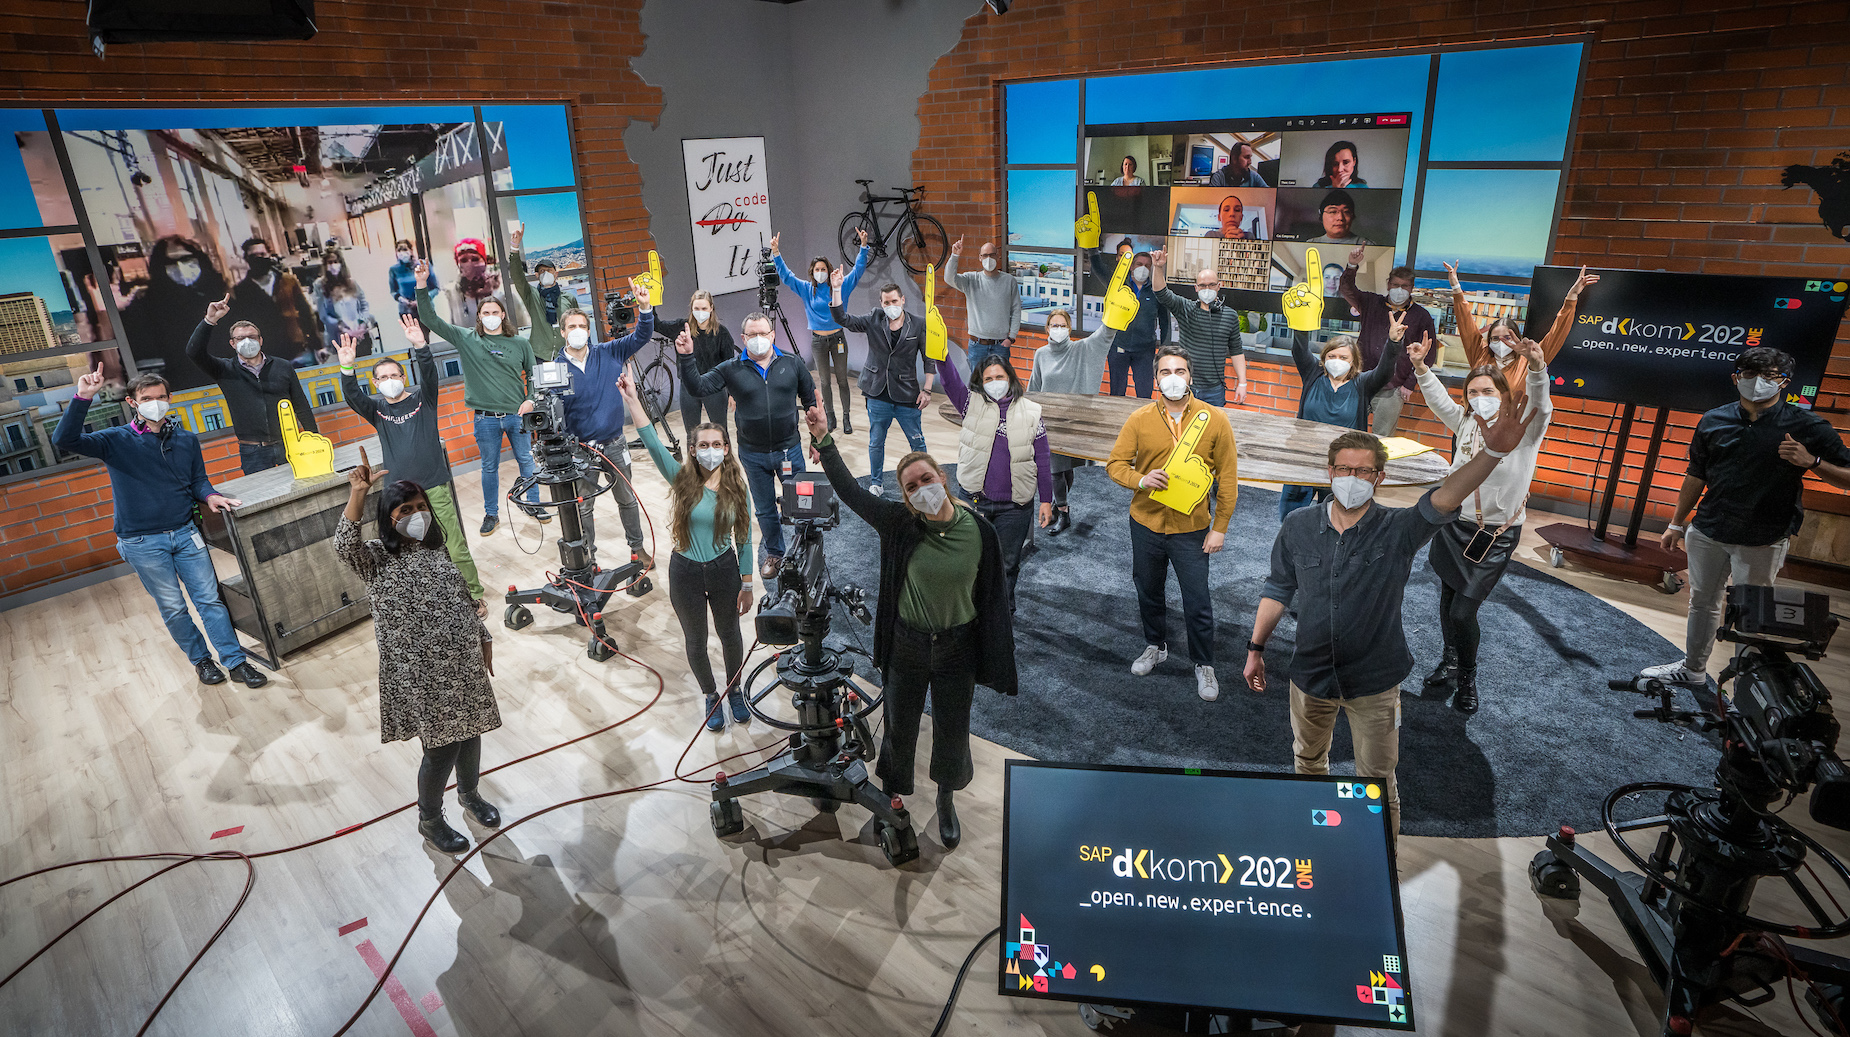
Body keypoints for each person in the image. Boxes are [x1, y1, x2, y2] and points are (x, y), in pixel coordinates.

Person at [1243, 413, 1538, 837]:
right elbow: (1277, 588)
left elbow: (1444, 498)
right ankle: (1314, 844)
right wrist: (1256, 649)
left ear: (1379, 477)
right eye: (1344, 468)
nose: (1352, 477)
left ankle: (1382, 864)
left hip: (1375, 682)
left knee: (1377, 783)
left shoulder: (1397, 530)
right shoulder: (1297, 526)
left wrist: (1493, 451)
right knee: (1308, 764)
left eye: (1363, 470)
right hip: (1308, 676)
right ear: (1330, 472)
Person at [804, 406, 1019, 849]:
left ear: (943, 477)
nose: (922, 489)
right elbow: (850, 492)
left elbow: (993, 598)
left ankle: (945, 797)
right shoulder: (900, 524)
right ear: (904, 497)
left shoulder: (979, 530)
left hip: (958, 648)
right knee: (899, 725)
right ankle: (893, 797)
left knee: (952, 727)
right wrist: (824, 440)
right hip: (908, 646)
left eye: (927, 479)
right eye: (911, 486)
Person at [1642, 348, 1850, 687]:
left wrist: (1812, 463)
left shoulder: (1806, 426)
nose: (1758, 383)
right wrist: (1676, 523)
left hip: (1763, 537)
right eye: (1751, 374)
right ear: (1736, 377)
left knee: (1753, 616)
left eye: (1769, 377)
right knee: (1702, 603)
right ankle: (1693, 670)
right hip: (1710, 528)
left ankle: (1747, 691)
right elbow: (1696, 474)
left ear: (1784, 382)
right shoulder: (1714, 420)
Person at [53, 366, 267, 689]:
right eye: (146, 398)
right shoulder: (115, 441)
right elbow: (64, 439)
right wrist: (83, 397)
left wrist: (210, 496)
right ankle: (202, 661)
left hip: (185, 534)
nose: (155, 403)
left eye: (161, 397)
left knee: (210, 600)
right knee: (174, 607)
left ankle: (236, 662)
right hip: (142, 542)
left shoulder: (186, 440)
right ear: (132, 402)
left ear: (170, 399)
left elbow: (198, 480)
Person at [336, 448, 502, 854]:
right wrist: (358, 493)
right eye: (405, 509)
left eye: (421, 506)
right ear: (388, 518)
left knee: (472, 730)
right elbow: (344, 544)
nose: (416, 514)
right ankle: (430, 819)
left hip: (460, 658)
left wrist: (482, 636)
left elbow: (458, 598)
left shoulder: (435, 549)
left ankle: (470, 794)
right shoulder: (374, 558)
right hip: (421, 670)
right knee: (442, 746)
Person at [1409, 333, 1553, 714]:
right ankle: (1450, 659)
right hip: (1453, 525)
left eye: (1487, 390)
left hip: (1496, 534)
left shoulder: (1525, 428)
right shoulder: (1467, 422)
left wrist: (1538, 368)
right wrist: (1422, 367)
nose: (1479, 397)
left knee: (1462, 610)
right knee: (1447, 597)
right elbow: (1439, 399)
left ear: (1504, 392)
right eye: (1472, 391)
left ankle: (1468, 676)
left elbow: (1541, 402)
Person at [507, 223, 652, 567]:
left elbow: (641, 337)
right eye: (571, 328)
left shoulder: (608, 352)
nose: (577, 332)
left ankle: (637, 548)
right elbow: (542, 402)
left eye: (582, 327)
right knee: (582, 507)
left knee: (628, 501)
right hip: (579, 450)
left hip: (614, 443)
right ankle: (588, 558)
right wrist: (531, 402)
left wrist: (645, 310)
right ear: (563, 332)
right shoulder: (553, 369)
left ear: (589, 330)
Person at [619, 374, 755, 732]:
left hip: (725, 569)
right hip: (685, 573)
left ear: (726, 448)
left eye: (718, 443)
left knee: (730, 635)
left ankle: (735, 688)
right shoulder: (682, 480)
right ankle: (711, 695)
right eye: (703, 444)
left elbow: (744, 538)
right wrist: (633, 400)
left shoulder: (738, 488)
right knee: (695, 639)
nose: (711, 449)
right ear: (693, 450)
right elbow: (650, 440)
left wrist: (748, 583)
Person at [1106, 346, 1240, 701]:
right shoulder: (1140, 419)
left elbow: (1227, 478)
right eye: (1166, 372)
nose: (1174, 378)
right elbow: (1115, 464)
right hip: (1146, 522)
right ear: (1156, 379)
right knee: (1148, 590)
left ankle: (1204, 663)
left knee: (1197, 599)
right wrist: (1140, 480)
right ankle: (1155, 645)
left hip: (1192, 528)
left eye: (1180, 371)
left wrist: (1220, 526)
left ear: (1190, 376)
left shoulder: (1215, 419)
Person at [339, 318, 483, 601]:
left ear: (403, 378)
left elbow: (429, 374)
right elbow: (352, 395)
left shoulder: (423, 400)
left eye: (394, 376)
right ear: (375, 383)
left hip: (433, 486)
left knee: (453, 543)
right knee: (407, 547)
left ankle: (473, 594)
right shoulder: (376, 410)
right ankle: (426, 594)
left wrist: (420, 345)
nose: (389, 381)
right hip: (399, 495)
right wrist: (346, 367)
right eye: (382, 378)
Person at [676, 312, 817, 579]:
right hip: (753, 454)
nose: (758, 339)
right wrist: (686, 357)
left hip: (790, 449)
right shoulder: (731, 368)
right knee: (764, 509)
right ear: (743, 338)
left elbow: (810, 400)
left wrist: (818, 440)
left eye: (763, 333)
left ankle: (806, 547)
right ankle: (775, 553)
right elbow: (697, 387)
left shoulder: (792, 363)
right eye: (752, 335)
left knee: (801, 501)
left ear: (772, 335)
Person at [413, 256, 544, 534]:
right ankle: (491, 514)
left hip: (516, 416)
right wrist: (421, 284)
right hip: (484, 419)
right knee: (489, 468)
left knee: (526, 461)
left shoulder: (520, 343)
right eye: (485, 313)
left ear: (503, 315)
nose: (491, 317)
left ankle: (534, 503)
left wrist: (531, 399)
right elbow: (429, 319)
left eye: (495, 312)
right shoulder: (466, 339)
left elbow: (535, 377)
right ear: (479, 317)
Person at [936, 349, 1052, 607]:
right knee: (970, 560)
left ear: (1010, 377)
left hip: (1015, 507)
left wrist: (1046, 500)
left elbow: (1042, 459)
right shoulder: (970, 404)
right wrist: (940, 352)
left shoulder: (1032, 412)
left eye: (999, 376)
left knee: (1007, 563)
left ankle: (1003, 612)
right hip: (974, 501)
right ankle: (971, 611)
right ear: (980, 381)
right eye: (988, 379)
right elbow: (949, 380)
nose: (994, 382)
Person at [1277, 316, 1407, 520]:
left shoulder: (1363, 383)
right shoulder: (1313, 374)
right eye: (1332, 356)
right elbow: (1299, 350)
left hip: (1343, 463)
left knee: (1335, 515)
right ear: (1324, 358)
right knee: (1291, 514)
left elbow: (1384, 371)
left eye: (1344, 358)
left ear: (1353, 361)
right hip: (1305, 455)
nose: (1337, 361)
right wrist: (1302, 320)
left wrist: (1393, 343)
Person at [186, 293, 321, 475]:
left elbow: (301, 405)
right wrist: (209, 320)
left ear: (260, 340)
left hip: (289, 443)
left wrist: (315, 441)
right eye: (241, 338)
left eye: (252, 336)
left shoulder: (282, 366)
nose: (247, 341)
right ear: (232, 344)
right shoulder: (224, 369)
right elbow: (194, 352)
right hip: (253, 452)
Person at [830, 274, 934, 498]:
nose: (890, 306)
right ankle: (876, 483)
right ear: (881, 303)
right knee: (876, 441)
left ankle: (927, 481)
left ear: (903, 300)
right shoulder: (874, 318)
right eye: (886, 302)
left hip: (907, 394)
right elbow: (843, 319)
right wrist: (836, 290)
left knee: (917, 441)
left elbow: (929, 357)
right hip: (877, 392)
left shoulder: (918, 323)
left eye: (894, 301)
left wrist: (927, 388)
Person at [1446, 261, 1599, 411]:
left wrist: (1571, 298)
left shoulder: (1529, 361)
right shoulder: (1480, 355)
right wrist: (1456, 287)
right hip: (1470, 425)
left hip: (1505, 431)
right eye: (1494, 338)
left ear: (1516, 337)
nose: (1501, 343)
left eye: (1507, 337)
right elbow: (1465, 322)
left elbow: (1557, 333)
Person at [1028, 300, 1124, 534]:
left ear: (1069, 329)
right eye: (1053, 325)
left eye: (1062, 325)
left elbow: (1104, 334)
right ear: (1047, 328)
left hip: (1076, 422)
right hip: (1051, 423)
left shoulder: (1082, 349)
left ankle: (1060, 508)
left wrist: (1115, 309)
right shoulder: (1040, 354)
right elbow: (1033, 387)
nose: (1058, 329)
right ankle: (1063, 512)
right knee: (1054, 471)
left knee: (1066, 469)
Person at [771, 229, 869, 433]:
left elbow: (858, 271)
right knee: (824, 381)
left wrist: (863, 247)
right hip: (818, 341)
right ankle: (830, 417)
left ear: (829, 269)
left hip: (838, 339)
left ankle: (846, 418)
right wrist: (776, 254)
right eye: (817, 269)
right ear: (812, 272)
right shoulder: (807, 289)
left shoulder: (839, 286)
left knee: (842, 380)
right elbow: (787, 278)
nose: (820, 272)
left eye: (823, 268)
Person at [1338, 245, 1435, 436]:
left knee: (1382, 438)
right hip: (1361, 381)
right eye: (1396, 285)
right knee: (1348, 431)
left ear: (1412, 288)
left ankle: (1375, 467)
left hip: (1393, 388)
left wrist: (1410, 383)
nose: (1400, 290)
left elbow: (1428, 354)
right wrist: (1351, 266)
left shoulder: (1421, 316)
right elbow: (1347, 290)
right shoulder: (1371, 303)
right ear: (1388, 284)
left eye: (1405, 286)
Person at [117, 234, 232, 388]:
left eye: (186, 259)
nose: (180, 266)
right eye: (170, 262)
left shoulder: (221, 298)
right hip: (184, 384)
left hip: (228, 378)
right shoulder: (147, 306)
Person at [1150, 248, 1248, 406]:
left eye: (1211, 285)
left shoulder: (1230, 316)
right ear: (1196, 288)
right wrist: (1158, 267)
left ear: (1219, 286)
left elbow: (1236, 350)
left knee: (1212, 429)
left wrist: (1242, 383)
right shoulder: (1185, 309)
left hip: (1214, 390)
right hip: (1186, 386)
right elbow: (1161, 292)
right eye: (1202, 286)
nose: (1207, 289)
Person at [1086, 244, 1169, 399]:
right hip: (1119, 346)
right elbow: (1098, 268)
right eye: (1139, 264)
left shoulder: (1157, 290)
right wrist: (1092, 248)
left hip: (1145, 350)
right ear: (1131, 266)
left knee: (1144, 394)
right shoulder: (1118, 284)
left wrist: (1164, 349)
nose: (1143, 268)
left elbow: (1165, 321)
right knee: (1117, 393)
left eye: (1147, 265)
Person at [226, 236, 323, 366]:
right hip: (268, 356)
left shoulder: (288, 281)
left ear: (269, 255)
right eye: (254, 256)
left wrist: (318, 344)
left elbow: (306, 313)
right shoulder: (241, 291)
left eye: (262, 254)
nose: (259, 258)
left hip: (300, 350)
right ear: (246, 259)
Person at [655, 289, 735, 438]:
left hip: (714, 387)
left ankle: (725, 461)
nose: (700, 312)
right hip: (688, 386)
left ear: (711, 308)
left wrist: (732, 393)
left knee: (720, 431)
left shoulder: (722, 333)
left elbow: (729, 365)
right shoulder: (681, 327)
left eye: (704, 308)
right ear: (691, 309)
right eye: (696, 308)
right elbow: (656, 325)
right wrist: (649, 305)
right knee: (691, 434)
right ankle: (694, 461)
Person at [944, 238, 1023, 369]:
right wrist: (954, 256)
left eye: (992, 255)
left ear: (997, 257)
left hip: (1000, 345)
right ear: (980, 258)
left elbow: (1016, 310)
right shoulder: (971, 279)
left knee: (1001, 385)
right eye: (985, 255)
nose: (989, 258)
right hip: (977, 345)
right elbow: (949, 278)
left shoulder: (1009, 281)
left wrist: (1012, 337)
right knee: (976, 386)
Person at [439, 238, 528, 333]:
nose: (470, 264)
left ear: (484, 262)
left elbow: (522, 324)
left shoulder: (501, 291)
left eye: (475, 259)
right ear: (458, 264)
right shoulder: (450, 294)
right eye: (464, 260)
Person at [316, 248, 374, 357]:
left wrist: (362, 324)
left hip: (361, 335)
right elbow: (324, 316)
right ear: (325, 265)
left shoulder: (352, 283)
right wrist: (343, 329)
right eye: (330, 262)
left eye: (336, 262)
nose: (333, 265)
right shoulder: (320, 286)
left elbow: (364, 305)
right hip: (341, 338)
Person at [530, 259, 573, 326]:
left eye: (549, 270)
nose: (546, 273)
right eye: (542, 271)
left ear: (556, 274)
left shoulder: (568, 298)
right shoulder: (534, 298)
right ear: (537, 275)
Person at [387, 239, 420, 319]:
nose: (402, 253)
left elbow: (434, 288)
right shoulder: (394, 270)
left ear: (411, 251)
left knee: (423, 331)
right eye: (399, 250)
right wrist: (402, 299)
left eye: (405, 249)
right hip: (406, 311)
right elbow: (393, 291)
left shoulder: (420, 266)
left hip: (423, 309)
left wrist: (421, 300)